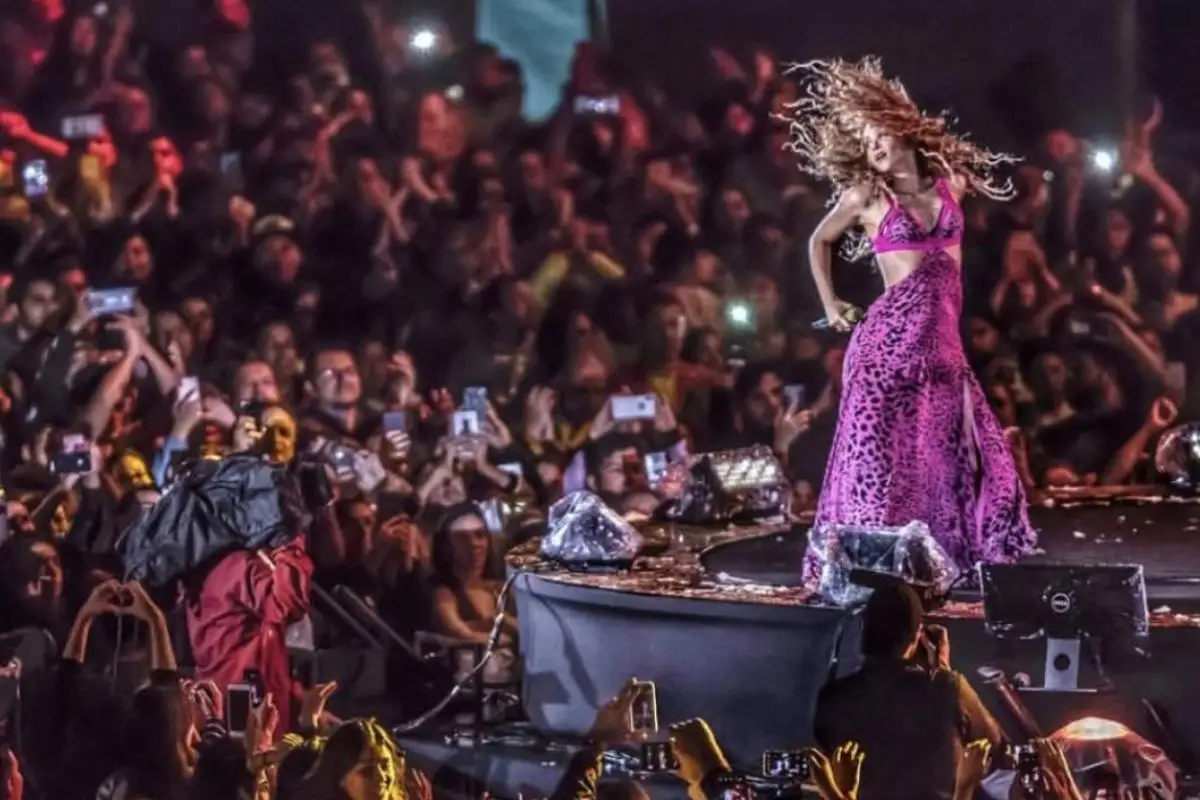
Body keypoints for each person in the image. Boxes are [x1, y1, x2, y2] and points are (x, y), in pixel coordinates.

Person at [783, 58, 1037, 578]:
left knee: (945, 460)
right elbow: (819, 241)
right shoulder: (868, 198)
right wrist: (830, 304)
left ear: (901, 130)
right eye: (866, 140)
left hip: (942, 348)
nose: (873, 146)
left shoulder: (950, 183)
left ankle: (941, 556)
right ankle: (865, 561)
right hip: (885, 348)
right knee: (879, 465)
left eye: (879, 134)